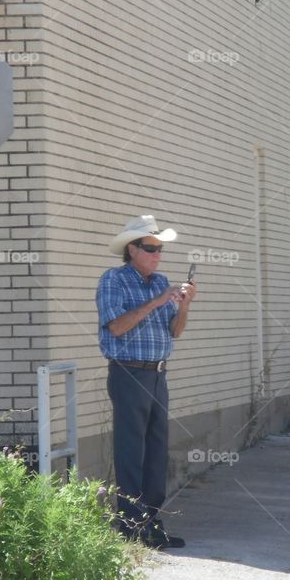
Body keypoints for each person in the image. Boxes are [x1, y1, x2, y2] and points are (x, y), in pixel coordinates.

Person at [96, 215, 197, 549]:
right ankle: (130, 524)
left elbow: (175, 331)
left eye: (160, 249)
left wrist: (183, 306)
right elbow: (117, 327)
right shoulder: (114, 280)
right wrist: (157, 301)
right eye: (151, 248)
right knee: (131, 450)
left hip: (157, 373)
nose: (157, 254)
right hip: (127, 372)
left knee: (156, 450)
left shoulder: (161, 282)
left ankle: (152, 522)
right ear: (132, 249)